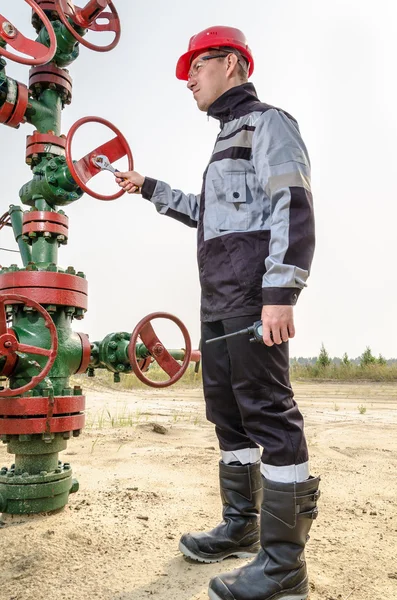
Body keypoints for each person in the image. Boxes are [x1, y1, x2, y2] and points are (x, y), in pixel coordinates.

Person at [116, 25, 320, 600]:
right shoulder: (223, 141)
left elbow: (293, 203)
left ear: (231, 63)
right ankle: (241, 526)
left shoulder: (269, 124)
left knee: (269, 414)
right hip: (217, 298)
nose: (189, 81)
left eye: (197, 67)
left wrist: (281, 292)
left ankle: (284, 568)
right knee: (228, 412)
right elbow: (206, 211)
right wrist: (147, 186)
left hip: (255, 294)